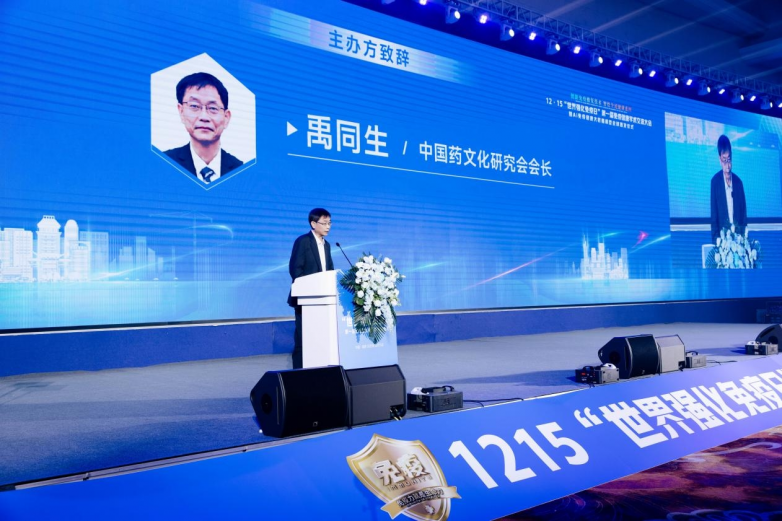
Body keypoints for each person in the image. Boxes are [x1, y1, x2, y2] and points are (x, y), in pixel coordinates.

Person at [165, 72, 243, 184]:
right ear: (181, 112)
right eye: (194, 106)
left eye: (213, 108)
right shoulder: (164, 163)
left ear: (226, 117)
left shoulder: (241, 171)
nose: (204, 117)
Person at [287, 208, 335, 369]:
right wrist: (308, 289)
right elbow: (295, 269)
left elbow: (329, 271)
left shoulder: (327, 245)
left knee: (320, 340)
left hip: (324, 301)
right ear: (313, 224)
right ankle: (297, 374)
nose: (328, 226)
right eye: (324, 223)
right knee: (303, 340)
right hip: (306, 299)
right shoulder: (303, 241)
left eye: (330, 223)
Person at [710, 134, 747, 242]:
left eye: (729, 159)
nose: (728, 165)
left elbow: (743, 216)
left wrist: (743, 239)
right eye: (724, 160)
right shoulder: (715, 182)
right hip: (723, 242)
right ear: (719, 159)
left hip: (739, 241)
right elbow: (714, 217)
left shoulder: (739, 183)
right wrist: (716, 243)